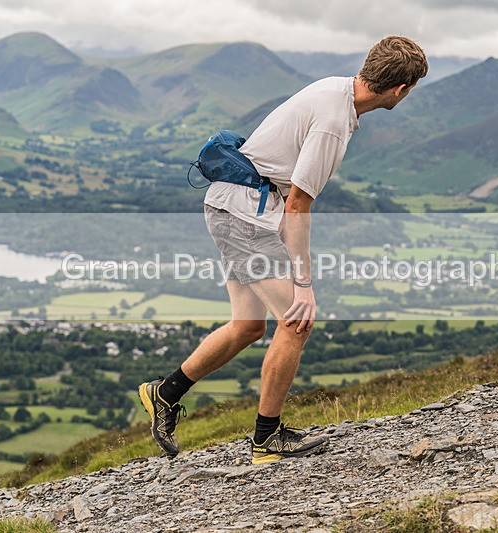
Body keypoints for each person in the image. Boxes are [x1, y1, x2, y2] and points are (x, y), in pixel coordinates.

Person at [139, 36, 428, 464]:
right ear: (400, 90)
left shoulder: (335, 90)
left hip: (234, 206)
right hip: (245, 215)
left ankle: (164, 393)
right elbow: (298, 204)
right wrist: (304, 284)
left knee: (248, 326)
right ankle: (266, 438)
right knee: (296, 321)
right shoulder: (333, 121)